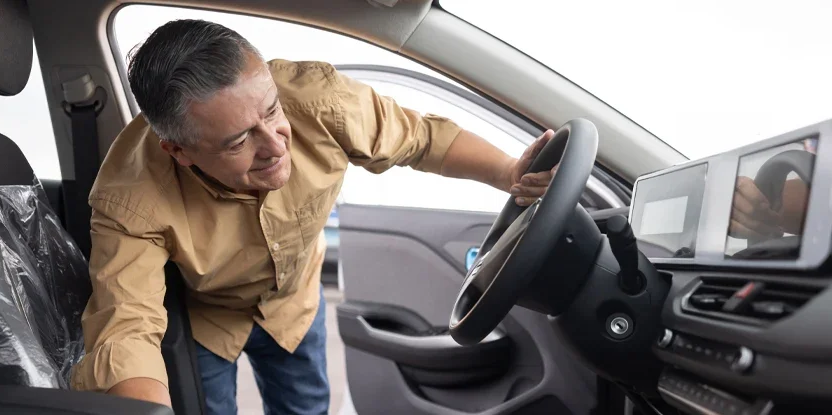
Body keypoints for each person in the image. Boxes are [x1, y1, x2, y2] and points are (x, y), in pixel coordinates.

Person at [69, 19, 556, 413]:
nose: (275, 144)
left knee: (305, 408)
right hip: (208, 319)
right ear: (180, 152)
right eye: (239, 142)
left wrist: (511, 172)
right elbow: (126, 328)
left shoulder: (320, 100)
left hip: (295, 302)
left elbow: (421, 139)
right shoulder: (128, 198)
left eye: (271, 111)